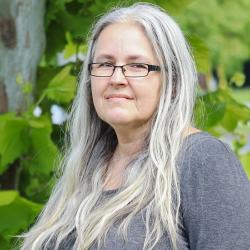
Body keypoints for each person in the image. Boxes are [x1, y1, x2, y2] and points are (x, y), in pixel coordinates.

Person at [20, 3, 250, 250]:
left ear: (171, 82)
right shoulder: (87, 167)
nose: (116, 79)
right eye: (105, 64)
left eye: (138, 66)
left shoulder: (202, 160)